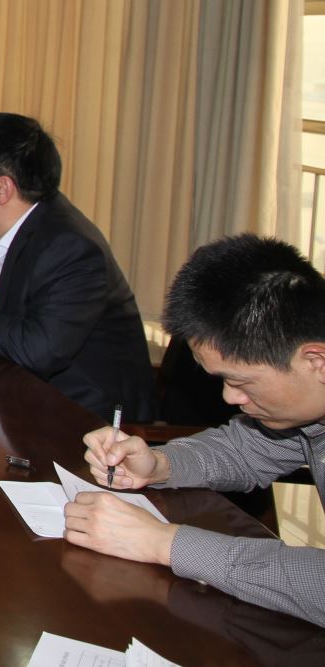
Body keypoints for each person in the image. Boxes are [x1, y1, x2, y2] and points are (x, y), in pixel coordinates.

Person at [63, 234, 325, 628]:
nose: (230, 397)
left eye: (241, 382)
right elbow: (243, 449)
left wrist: (164, 543)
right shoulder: (303, 412)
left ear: (316, 361)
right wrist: (159, 465)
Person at [0, 112, 154, 423]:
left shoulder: (70, 249)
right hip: (3, 390)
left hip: (79, 419)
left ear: (3, 189)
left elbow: (41, 349)